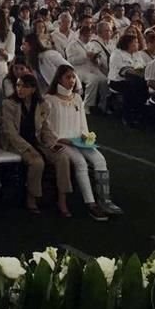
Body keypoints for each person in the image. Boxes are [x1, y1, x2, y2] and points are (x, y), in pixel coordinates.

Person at [44, 65, 122, 221]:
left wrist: (87, 137)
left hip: (78, 141)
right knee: (80, 162)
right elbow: (48, 127)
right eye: (68, 77)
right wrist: (62, 140)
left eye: (73, 77)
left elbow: (82, 124)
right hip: (62, 141)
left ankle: (105, 200)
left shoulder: (77, 98)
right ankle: (91, 203)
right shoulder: (49, 100)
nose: (72, 80)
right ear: (59, 79)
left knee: (100, 160)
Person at [0, 73, 73, 217]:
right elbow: (10, 132)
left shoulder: (42, 105)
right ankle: (31, 198)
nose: (20, 89)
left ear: (33, 89)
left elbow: (45, 128)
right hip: (18, 143)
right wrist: (29, 148)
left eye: (24, 87)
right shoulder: (9, 104)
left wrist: (53, 144)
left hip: (37, 141)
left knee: (63, 158)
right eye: (18, 85)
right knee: (37, 162)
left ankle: (62, 200)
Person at [108, 34, 148, 127]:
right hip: (117, 81)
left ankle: (140, 114)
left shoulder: (137, 54)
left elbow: (142, 67)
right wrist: (140, 74)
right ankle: (127, 117)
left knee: (142, 85)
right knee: (132, 87)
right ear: (128, 44)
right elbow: (125, 71)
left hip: (135, 80)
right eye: (135, 42)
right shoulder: (117, 54)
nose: (137, 44)